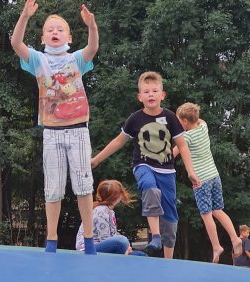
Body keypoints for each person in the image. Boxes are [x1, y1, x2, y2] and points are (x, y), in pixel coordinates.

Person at [11, 0, 99, 254]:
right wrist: (25, 16)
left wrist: (91, 26)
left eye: (60, 29)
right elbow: (16, 44)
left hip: (79, 130)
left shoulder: (76, 59)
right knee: (53, 189)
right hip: (51, 133)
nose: (55, 32)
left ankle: (90, 240)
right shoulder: (38, 60)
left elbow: (92, 49)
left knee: (83, 186)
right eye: (50, 29)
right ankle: (51, 241)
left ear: (69, 36)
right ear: (43, 37)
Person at [91, 71, 200, 259]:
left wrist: (191, 172)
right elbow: (118, 142)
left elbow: (182, 145)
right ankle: (155, 236)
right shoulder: (135, 118)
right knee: (149, 187)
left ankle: (168, 261)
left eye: (155, 91)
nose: (151, 94)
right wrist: (96, 159)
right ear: (140, 97)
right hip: (143, 165)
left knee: (171, 219)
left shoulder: (171, 118)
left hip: (167, 171)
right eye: (146, 91)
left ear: (162, 95)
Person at [174, 102, 242, 263]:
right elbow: (199, 120)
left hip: (201, 180)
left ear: (184, 121)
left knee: (206, 214)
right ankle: (234, 238)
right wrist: (192, 115)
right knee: (218, 210)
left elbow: (172, 154)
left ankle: (217, 246)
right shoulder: (203, 127)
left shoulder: (186, 137)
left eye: (178, 121)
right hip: (214, 176)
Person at [76, 179, 146, 256]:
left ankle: (123, 258)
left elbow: (112, 235)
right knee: (121, 241)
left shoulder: (109, 211)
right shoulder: (101, 211)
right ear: (117, 196)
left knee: (140, 255)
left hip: (101, 246)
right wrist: (125, 248)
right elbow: (104, 238)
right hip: (88, 248)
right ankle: (122, 258)